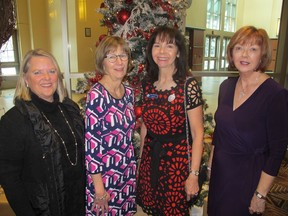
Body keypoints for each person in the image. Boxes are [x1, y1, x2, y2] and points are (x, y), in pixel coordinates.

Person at [207, 26, 288, 216]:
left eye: (253, 49)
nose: (244, 54)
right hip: (221, 172)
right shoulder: (226, 86)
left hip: (248, 177)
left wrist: (260, 195)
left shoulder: (275, 95)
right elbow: (219, 132)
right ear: (231, 53)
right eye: (239, 48)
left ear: (262, 54)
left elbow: (277, 151)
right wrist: (211, 165)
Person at [0, 49, 85, 215]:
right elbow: (9, 178)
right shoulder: (14, 121)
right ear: (26, 79)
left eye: (51, 71)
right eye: (37, 72)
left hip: (78, 203)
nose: (46, 78)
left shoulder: (70, 109)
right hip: (44, 209)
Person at [136, 26, 204, 215]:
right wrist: (141, 162)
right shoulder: (147, 84)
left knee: (175, 210)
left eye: (169, 46)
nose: (162, 51)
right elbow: (145, 127)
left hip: (177, 164)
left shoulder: (187, 85)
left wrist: (194, 174)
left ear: (178, 52)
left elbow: (198, 134)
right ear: (151, 51)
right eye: (157, 46)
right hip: (151, 158)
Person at [85, 36, 137, 215]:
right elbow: (91, 147)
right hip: (104, 177)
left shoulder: (129, 92)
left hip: (126, 171)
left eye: (123, 56)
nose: (119, 61)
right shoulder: (96, 96)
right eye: (112, 57)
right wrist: (99, 190)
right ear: (103, 62)